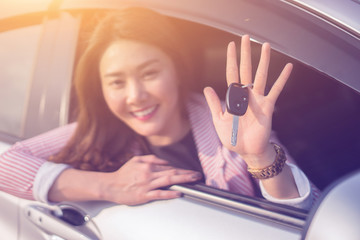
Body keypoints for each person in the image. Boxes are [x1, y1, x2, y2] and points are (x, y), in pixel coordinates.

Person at [0, 7, 319, 209]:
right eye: (116, 82)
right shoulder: (97, 129)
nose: (136, 95)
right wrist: (107, 186)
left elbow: (308, 217)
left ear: (177, 69)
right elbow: (5, 164)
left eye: (150, 74)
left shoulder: (232, 123)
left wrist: (258, 157)